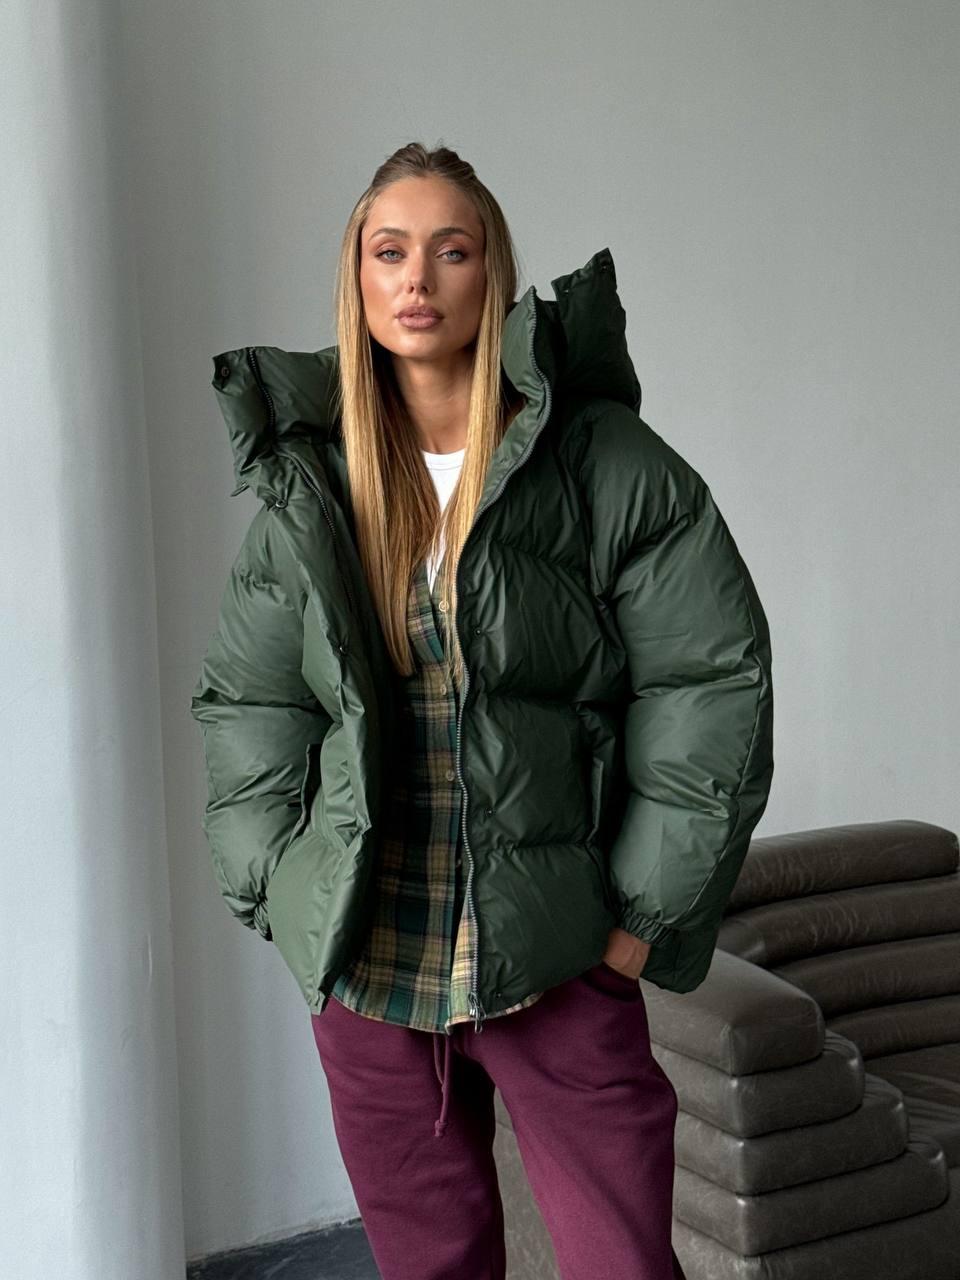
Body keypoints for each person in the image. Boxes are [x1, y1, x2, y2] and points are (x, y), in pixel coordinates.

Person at [191, 141, 774, 1280]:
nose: (418, 278)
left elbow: (709, 684)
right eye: (390, 251)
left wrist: (638, 920)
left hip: (557, 952)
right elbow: (253, 699)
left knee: (620, 1263)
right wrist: (277, 882)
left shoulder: (599, 460)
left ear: (491, 273)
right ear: (358, 277)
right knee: (430, 1265)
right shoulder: (316, 483)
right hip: (370, 963)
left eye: (450, 251)